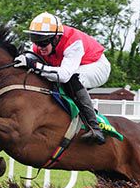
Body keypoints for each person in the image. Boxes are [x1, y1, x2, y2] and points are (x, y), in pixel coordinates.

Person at [14, 12, 111, 145]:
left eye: (43, 42)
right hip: (72, 67)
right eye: (36, 41)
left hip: (96, 66)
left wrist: (34, 65)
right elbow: (28, 62)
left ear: (56, 38)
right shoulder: (40, 45)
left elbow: (64, 76)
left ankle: (94, 127)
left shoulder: (73, 42)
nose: (40, 47)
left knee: (71, 79)